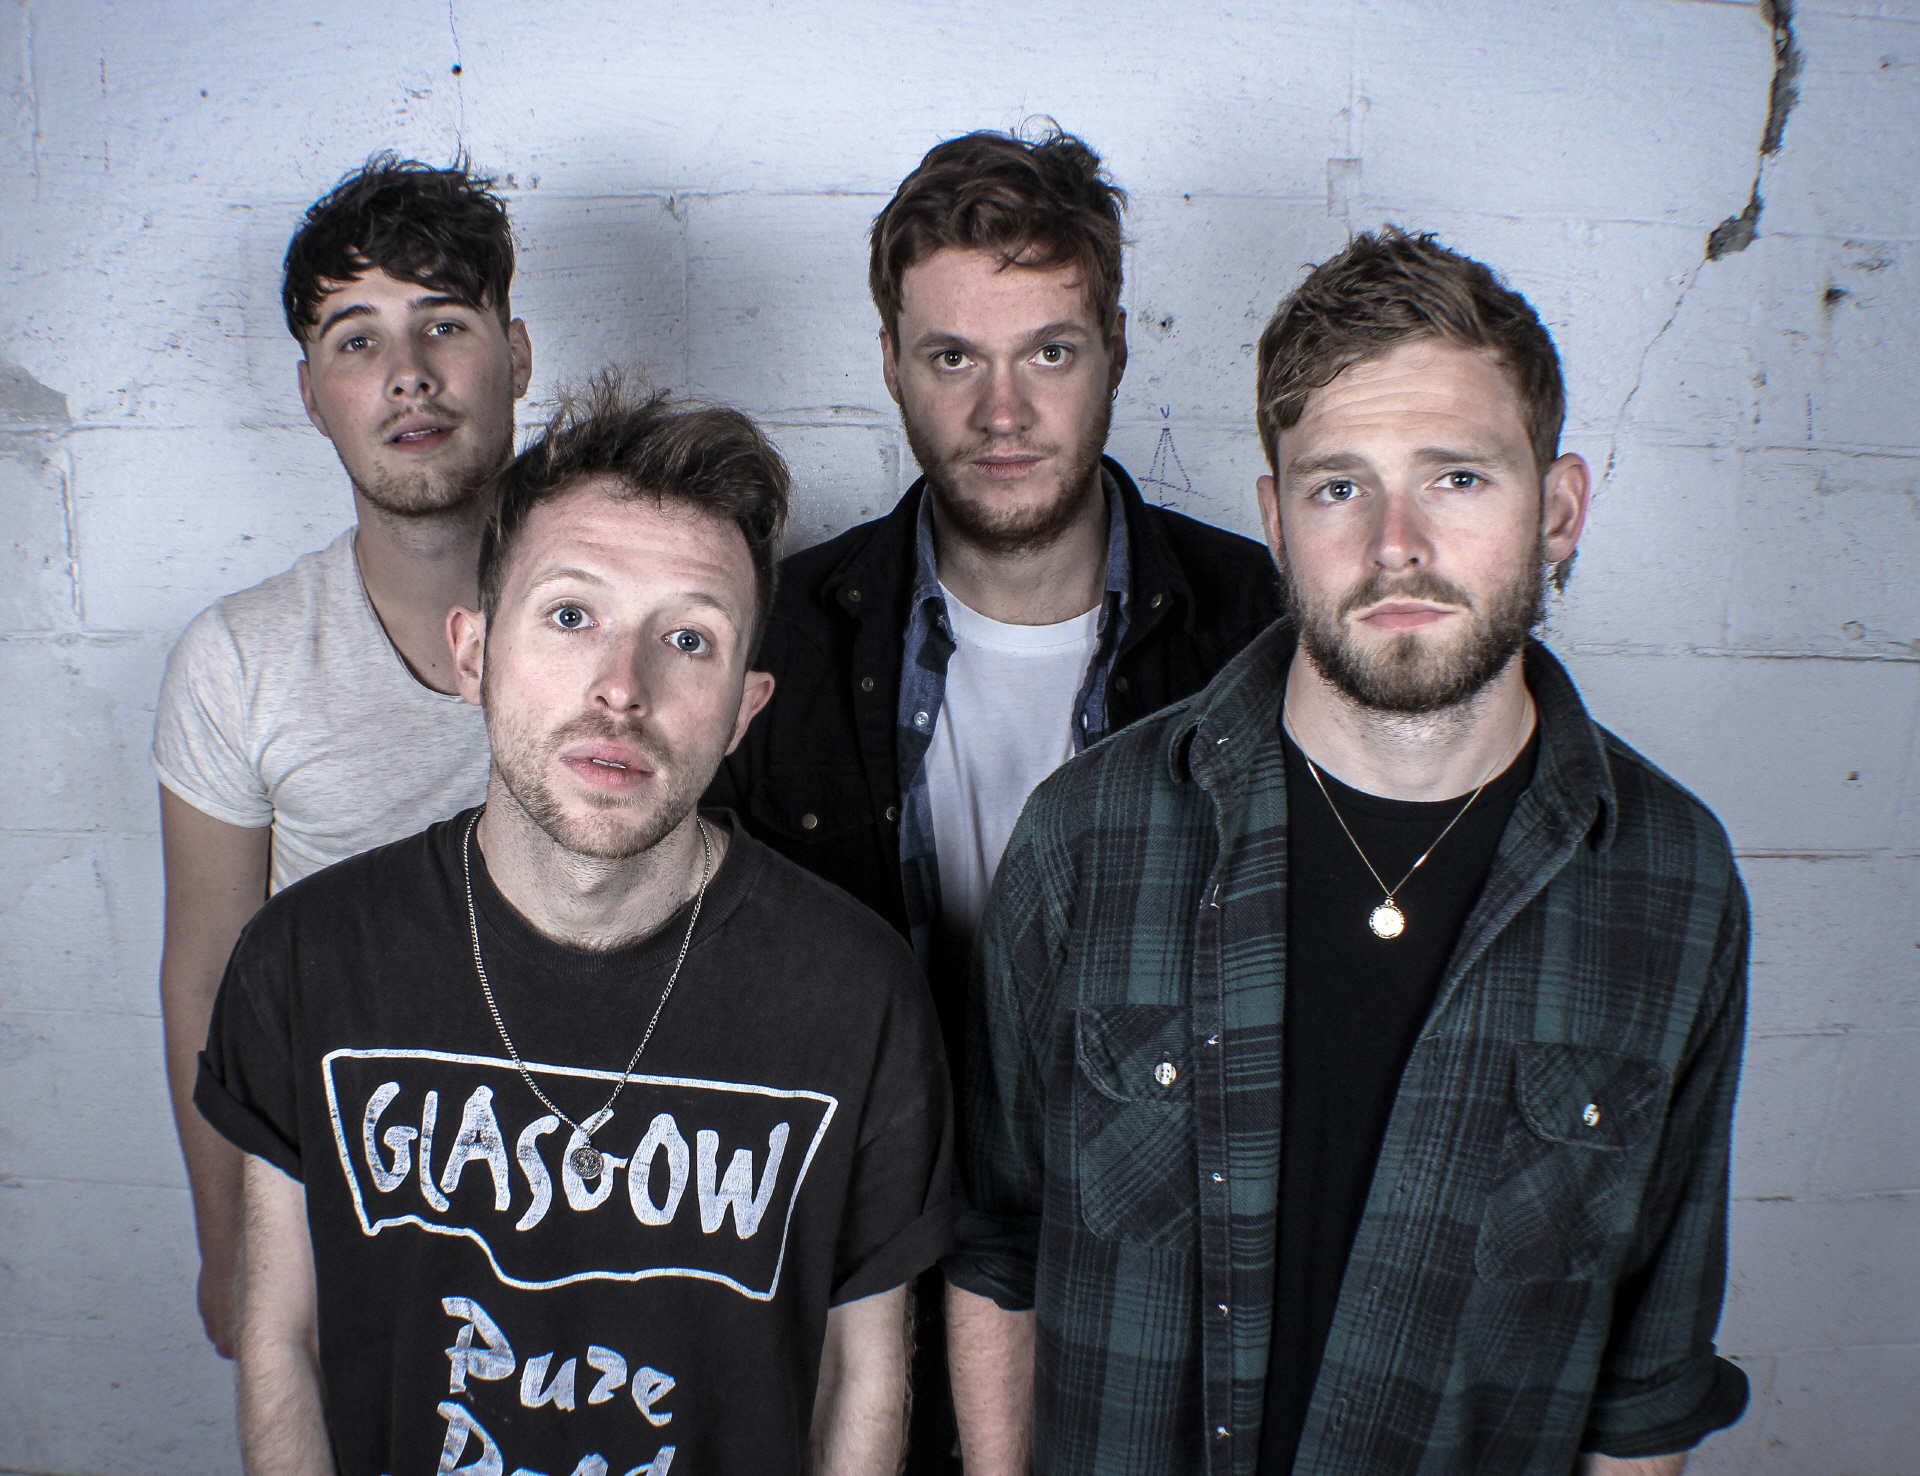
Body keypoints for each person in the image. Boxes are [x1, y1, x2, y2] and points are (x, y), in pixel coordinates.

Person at [948, 228, 1750, 1475]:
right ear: (1276, 521)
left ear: (1559, 509)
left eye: (1458, 479)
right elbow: (999, 1247)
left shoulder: (1672, 881)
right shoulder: (1088, 836)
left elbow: (1646, 1388)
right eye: (1339, 487)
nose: (1395, 544)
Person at [195, 381, 954, 1475]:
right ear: (474, 653)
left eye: (688, 639)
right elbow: (284, 1336)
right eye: (569, 616)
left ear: (743, 711)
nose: (620, 689)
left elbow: (861, 1377)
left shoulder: (855, 993)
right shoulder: (308, 960)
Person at [703, 129, 1281, 1470]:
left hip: (1157, 1292)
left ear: (1117, 350)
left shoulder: (1262, 636)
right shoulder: (776, 638)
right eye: (954, 357)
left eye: (1050, 353)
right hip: (853, 1285)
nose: (1002, 412)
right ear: (890, 363)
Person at [153, 155, 533, 1358]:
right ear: (313, 396)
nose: (409, 373)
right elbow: (208, 974)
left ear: (518, 356)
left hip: (604, 1185)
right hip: (352, 1217)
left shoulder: (630, 612)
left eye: (445, 325)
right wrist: (229, 1244)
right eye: (357, 340)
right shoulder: (240, 659)